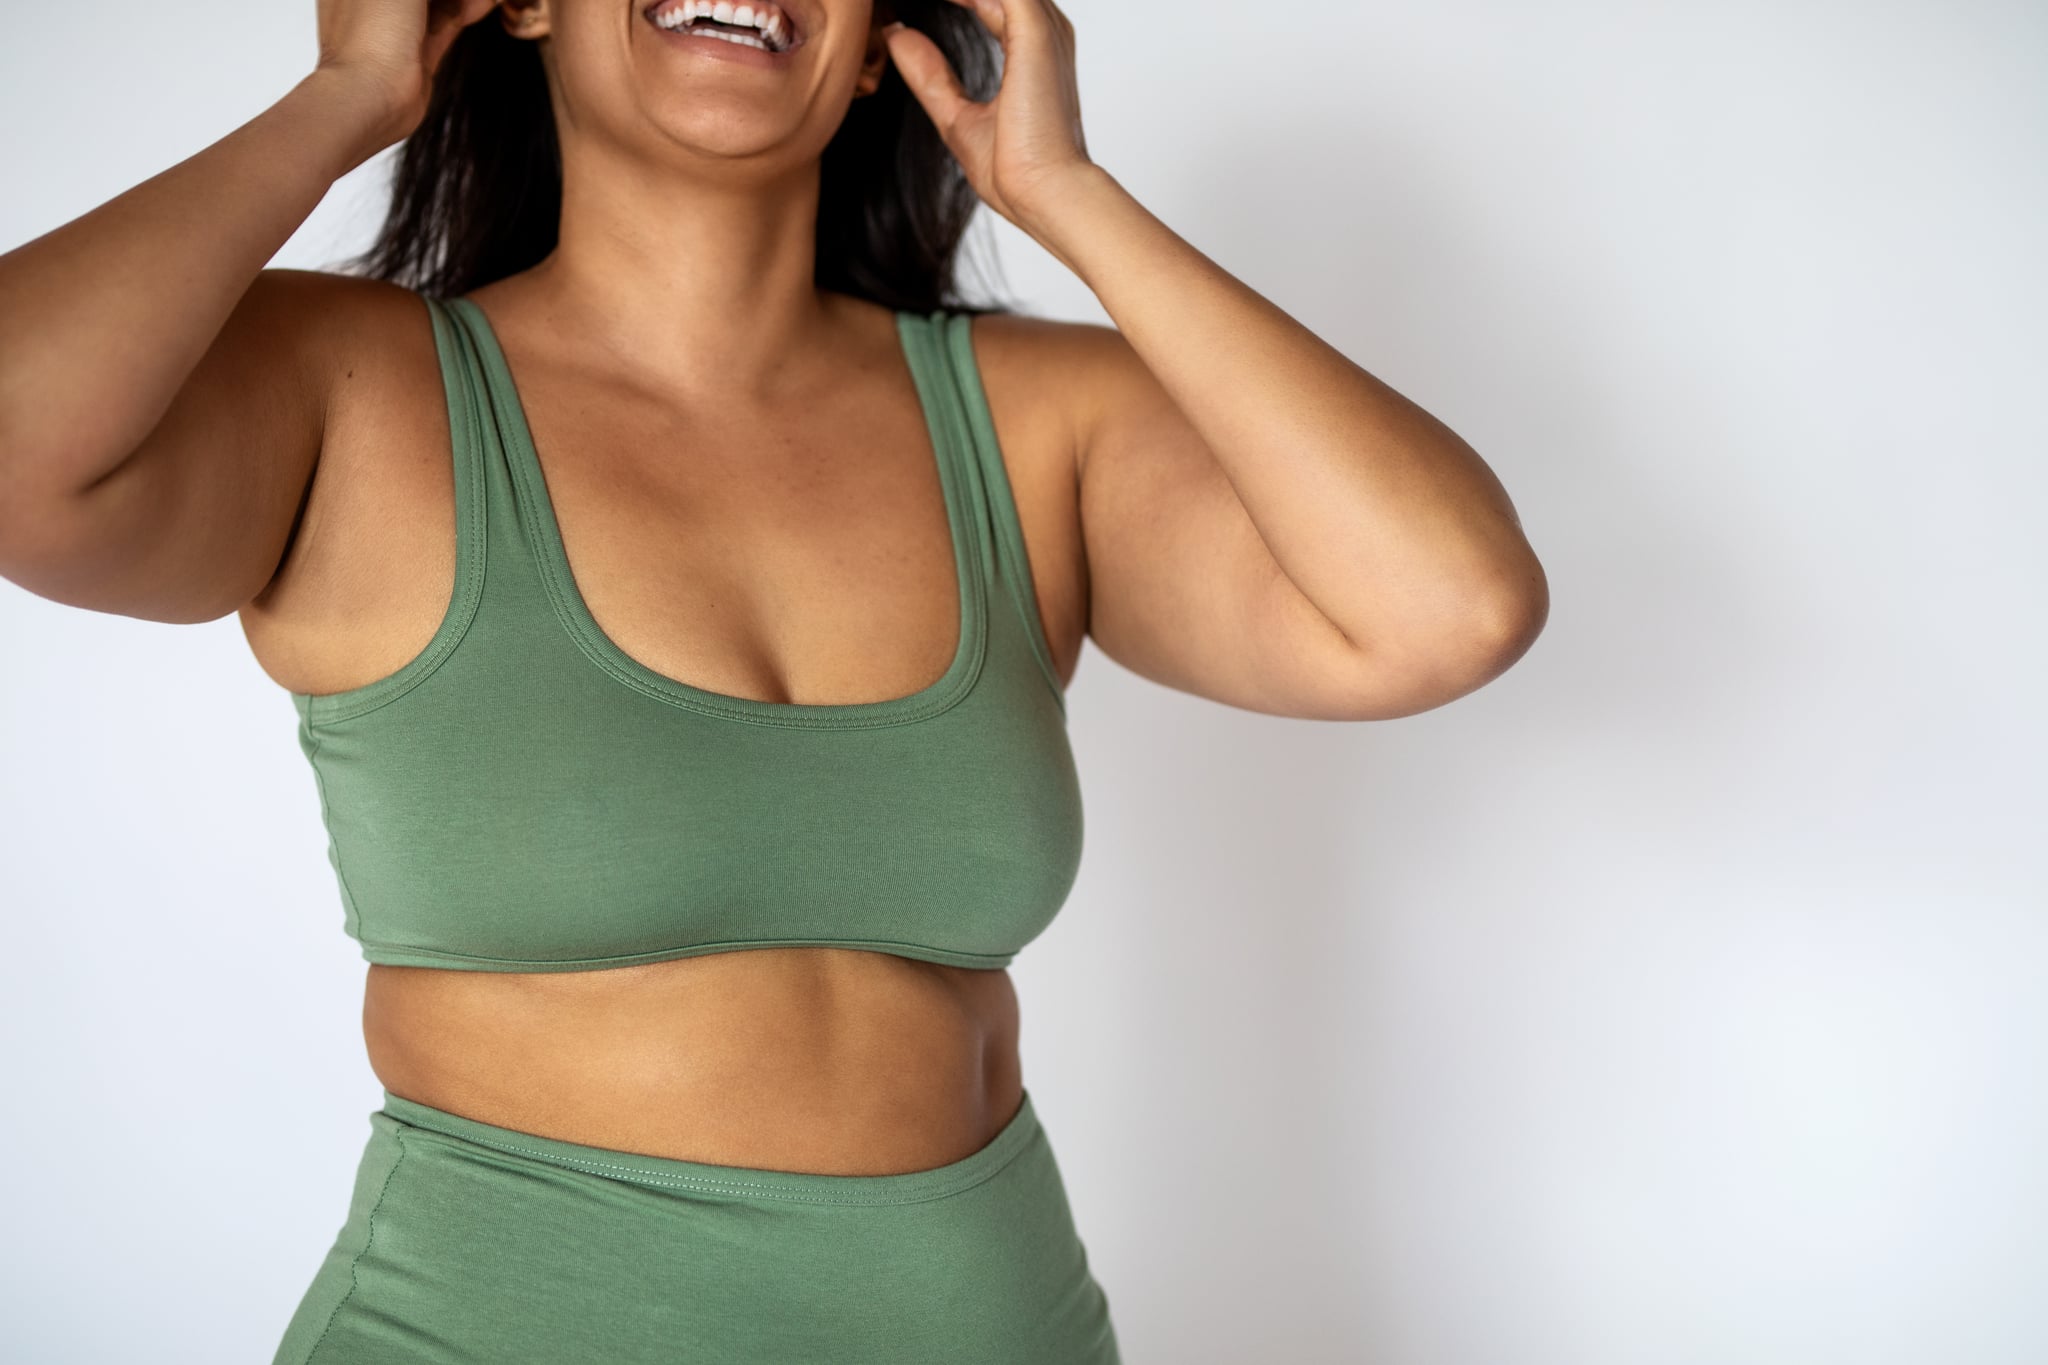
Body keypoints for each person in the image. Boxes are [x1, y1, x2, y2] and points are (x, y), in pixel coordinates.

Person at [0, 0, 1549, 1358]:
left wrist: (1069, 197)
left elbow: (1447, 606)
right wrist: (340, 103)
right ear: (522, 3)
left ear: (884, 47)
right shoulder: (358, 390)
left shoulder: (1028, 427)